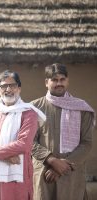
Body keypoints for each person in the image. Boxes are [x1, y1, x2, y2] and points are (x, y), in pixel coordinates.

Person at [0, 70, 46, 200]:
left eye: (12, 85)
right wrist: (5, 157)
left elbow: (24, 144)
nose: (8, 89)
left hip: (18, 177)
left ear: (19, 88)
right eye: (3, 86)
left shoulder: (29, 114)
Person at [31, 63, 95, 200]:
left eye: (62, 79)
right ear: (46, 82)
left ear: (67, 81)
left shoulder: (81, 108)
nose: (59, 83)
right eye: (54, 80)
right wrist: (52, 160)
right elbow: (29, 141)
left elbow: (86, 143)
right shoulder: (34, 108)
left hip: (71, 175)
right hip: (44, 174)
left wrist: (63, 165)